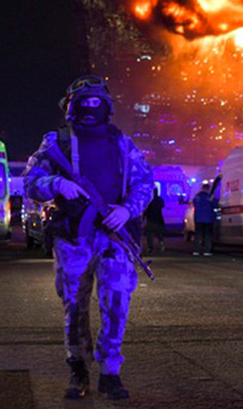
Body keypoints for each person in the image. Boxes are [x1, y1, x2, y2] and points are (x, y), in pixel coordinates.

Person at [23, 75, 154, 400]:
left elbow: (144, 184)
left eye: (97, 103)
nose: (91, 109)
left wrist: (126, 210)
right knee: (74, 307)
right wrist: (55, 184)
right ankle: (78, 370)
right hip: (73, 238)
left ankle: (110, 372)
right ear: (71, 107)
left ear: (106, 107)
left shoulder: (122, 143)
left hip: (114, 237)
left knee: (116, 303)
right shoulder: (57, 142)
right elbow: (31, 180)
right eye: (84, 103)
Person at [193, 178, 220, 257]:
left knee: (198, 235)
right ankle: (207, 251)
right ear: (208, 189)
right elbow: (215, 205)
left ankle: (196, 251)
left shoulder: (197, 197)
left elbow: (195, 205)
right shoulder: (210, 197)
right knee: (208, 236)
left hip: (198, 218)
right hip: (208, 219)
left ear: (202, 188)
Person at [144, 188, 166, 253]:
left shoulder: (148, 200)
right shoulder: (160, 200)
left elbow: (146, 210)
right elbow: (162, 206)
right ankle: (161, 245)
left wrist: (143, 218)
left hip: (150, 219)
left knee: (149, 235)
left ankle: (151, 248)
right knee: (159, 234)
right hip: (158, 219)